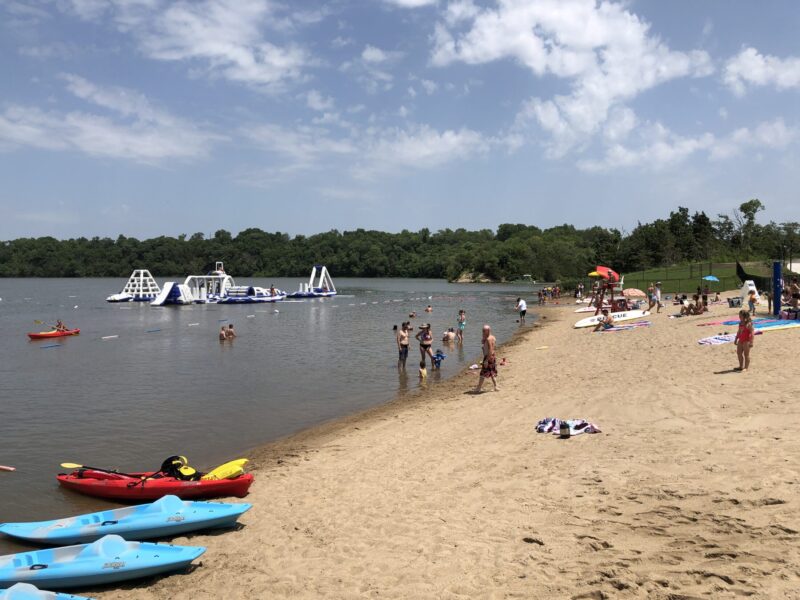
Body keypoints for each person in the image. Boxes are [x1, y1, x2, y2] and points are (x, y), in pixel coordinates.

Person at [474, 325, 498, 392]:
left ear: (488, 331)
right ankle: (496, 386)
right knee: (492, 372)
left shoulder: (488, 339)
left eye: (484, 331)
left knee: (483, 373)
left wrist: (486, 360)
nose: (482, 332)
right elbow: (491, 346)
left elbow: (490, 349)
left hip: (488, 357)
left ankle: (478, 388)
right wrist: (484, 339)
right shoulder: (492, 337)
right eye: (482, 330)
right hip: (492, 356)